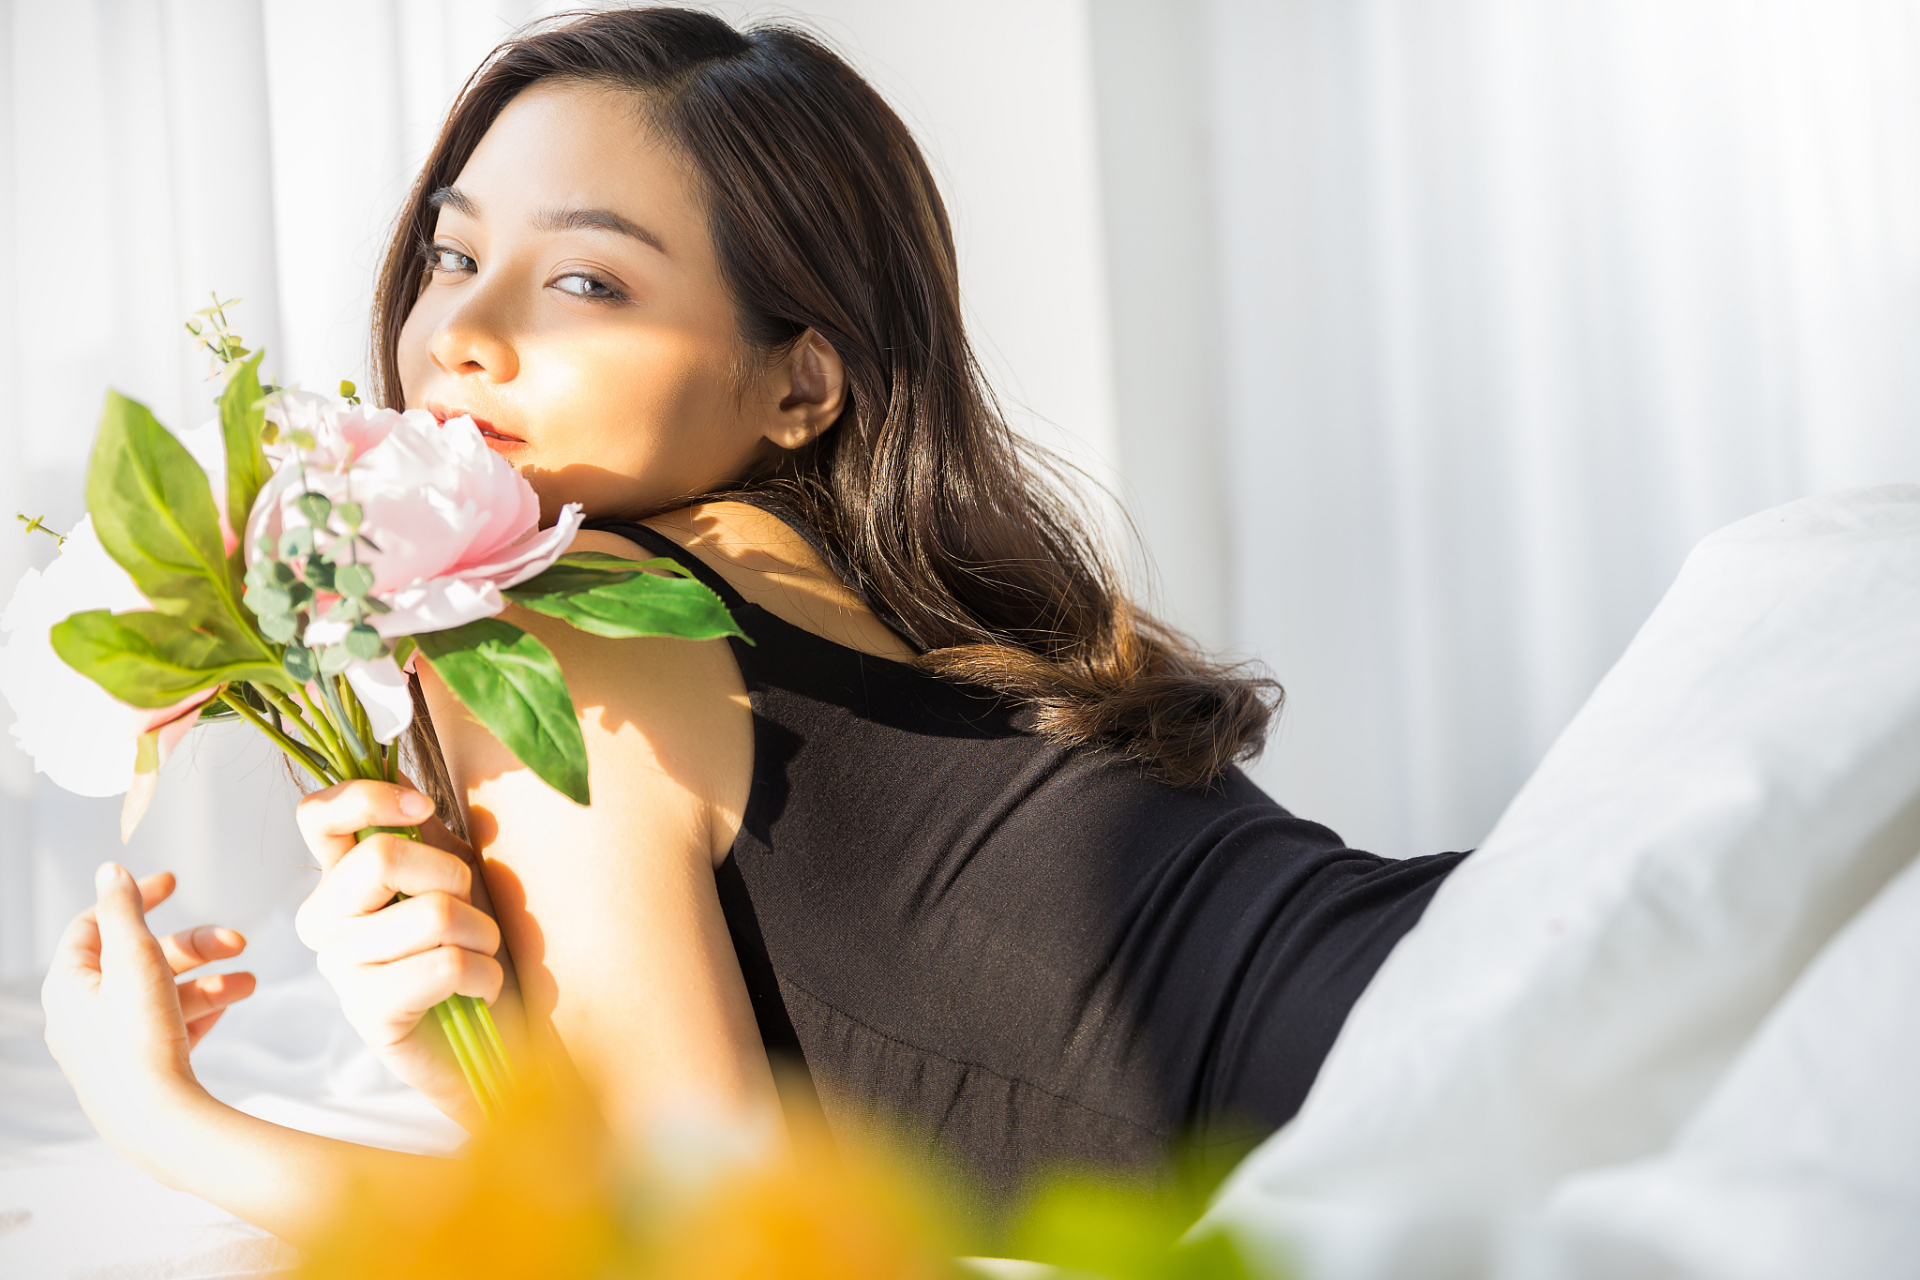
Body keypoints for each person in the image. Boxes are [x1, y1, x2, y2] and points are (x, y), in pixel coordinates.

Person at [40, 7, 1465, 1235]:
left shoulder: (562, 621)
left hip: (1449, 1076)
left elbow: (694, 1236)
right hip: (1468, 989)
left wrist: (168, 1121)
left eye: (587, 280)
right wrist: (466, 1059)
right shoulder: (815, 579)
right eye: (453, 255)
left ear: (798, 385)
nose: (460, 333)